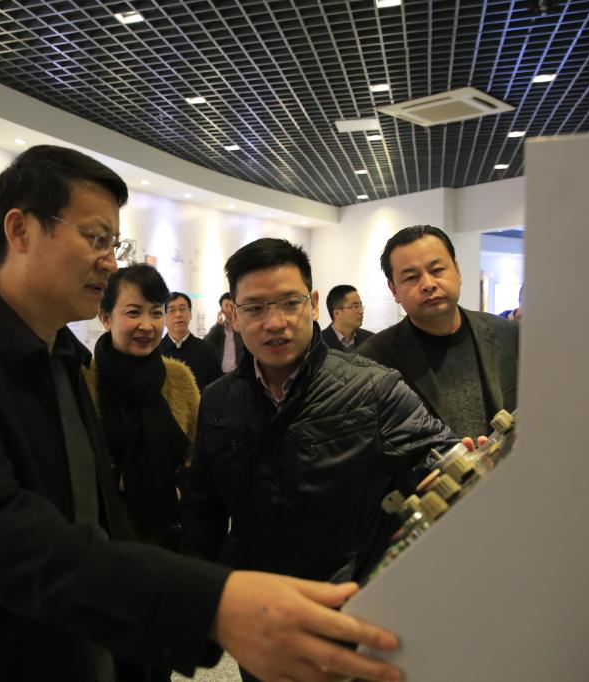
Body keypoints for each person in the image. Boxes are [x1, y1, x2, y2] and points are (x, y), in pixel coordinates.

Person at [0, 145, 404, 682]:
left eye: (114, 243)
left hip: (81, 642)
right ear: (20, 230)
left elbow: (93, 517)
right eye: (95, 238)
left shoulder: (63, 357)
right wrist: (211, 603)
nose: (109, 261)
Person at [181, 237, 458, 681]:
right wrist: (206, 616)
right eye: (255, 308)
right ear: (233, 314)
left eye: (289, 303)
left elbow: (443, 465)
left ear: (312, 304)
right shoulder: (218, 401)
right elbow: (204, 513)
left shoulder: (374, 388)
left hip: (352, 611)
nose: (275, 322)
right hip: (264, 617)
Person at [358, 225, 519, 439]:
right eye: (411, 277)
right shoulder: (371, 362)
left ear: (457, 271)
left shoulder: (509, 334)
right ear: (394, 289)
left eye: (437, 270)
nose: (428, 284)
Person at [84, 264, 199, 553]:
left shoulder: (179, 379)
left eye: (156, 313)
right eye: (134, 313)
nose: (147, 325)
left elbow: (200, 456)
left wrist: (178, 487)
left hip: (170, 537)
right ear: (105, 317)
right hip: (101, 540)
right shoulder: (84, 380)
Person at [158, 292, 222, 391]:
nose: (178, 314)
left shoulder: (207, 350)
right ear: (164, 318)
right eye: (172, 310)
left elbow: (216, 390)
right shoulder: (155, 350)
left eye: (182, 309)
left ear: (190, 314)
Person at [322, 284, 374, 351]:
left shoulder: (370, 339)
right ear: (337, 313)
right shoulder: (319, 343)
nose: (361, 311)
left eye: (360, 306)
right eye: (355, 307)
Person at [204, 292, 244, 373]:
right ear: (221, 309)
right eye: (226, 306)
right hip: (220, 373)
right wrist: (218, 324)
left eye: (231, 306)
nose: (229, 309)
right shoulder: (218, 328)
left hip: (239, 372)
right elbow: (206, 343)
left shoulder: (242, 327)